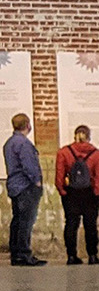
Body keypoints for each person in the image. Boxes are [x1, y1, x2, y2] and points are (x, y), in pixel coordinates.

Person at [54, 122, 99, 265]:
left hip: (71, 192)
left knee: (71, 223)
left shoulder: (63, 152)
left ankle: (71, 256)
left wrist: (62, 190)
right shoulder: (97, 154)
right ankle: (93, 255)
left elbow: (59, 174)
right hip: (90, 193)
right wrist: (96, 191)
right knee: (91, 224)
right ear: (89, 137)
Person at [6, 113, 43, 266]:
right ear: (27, 125)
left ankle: (15, 253)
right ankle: (24, 254)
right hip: (25, 187)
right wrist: (37, 181)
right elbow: (29, 165)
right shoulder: (24, 144)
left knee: (17, 220)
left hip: (14, 186)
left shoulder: (9, 143)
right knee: (26, 222)